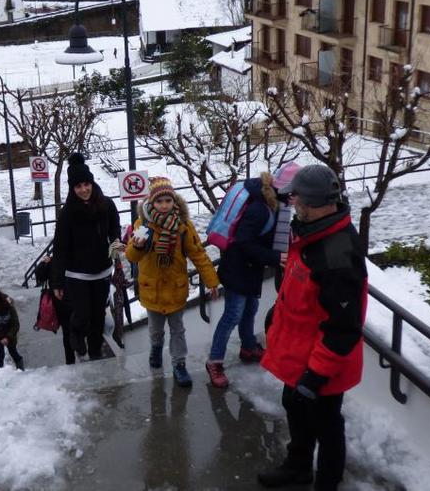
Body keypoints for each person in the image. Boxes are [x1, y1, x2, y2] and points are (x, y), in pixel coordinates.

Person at [257, 165, 367, 491]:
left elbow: (344, 327)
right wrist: (279, 313)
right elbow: (304, 290)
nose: (291, 202)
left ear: (312, 201)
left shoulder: (336, 254)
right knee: (295, 408)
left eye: (296, 196)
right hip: (299, 355)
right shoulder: (311, 232)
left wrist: (315, 376)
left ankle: (326, 484)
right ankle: (298, 466)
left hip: (320, 365)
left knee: (327, 426)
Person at [205, 163, 300, 389]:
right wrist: (275, 257)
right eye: (297, 193)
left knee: (251, 310)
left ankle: (248, 347)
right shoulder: (260, 208)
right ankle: (214, 361)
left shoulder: (276, 203)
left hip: (251, 268)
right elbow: (243, 243)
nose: (298, 199)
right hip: (239, 268)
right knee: (233, 315)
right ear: (286, 190)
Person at [126, 177, 219, 387]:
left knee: (178, 330)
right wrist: (138, 246)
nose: (164, 205)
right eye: (160, 201)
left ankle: (179, 364)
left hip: (175, 288)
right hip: (152, 290)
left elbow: (198, 254)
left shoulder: (183, 226)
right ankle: (156, 349)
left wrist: (211, 280)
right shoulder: (142, 224)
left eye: (168, 200)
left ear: (174, 201)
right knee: (155, 330)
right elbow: (131, 256)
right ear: (152, 203)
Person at [51, 152, 121, 360]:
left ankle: (95, 351)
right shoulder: (67, 214)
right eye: (78, 186)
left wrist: (115, 244)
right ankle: (75, 332)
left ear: (92, 183)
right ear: (73, 189)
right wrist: (57, 282)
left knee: (98, 314)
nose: (83, 190)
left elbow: (114, 229)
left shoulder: (107, 205)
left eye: (86, 184)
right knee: (82, 314)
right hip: (77, 274)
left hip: (102, 270)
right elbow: (60, 248)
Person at [35, 256, 75, 365]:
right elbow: (40, 276)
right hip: (62, 304)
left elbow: (40, 276)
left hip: (69, 302)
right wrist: (44, 263)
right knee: (68, 332)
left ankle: (72, 359)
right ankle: (71, 359)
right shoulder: (53, 262)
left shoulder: (72, 257)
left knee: (70, 332)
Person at [0, 289, 24, 370]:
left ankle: (20, 369)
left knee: (13, 352)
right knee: (0, 354)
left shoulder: (8, 308)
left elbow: (15, 324)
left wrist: (8, 337)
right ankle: (0, 373)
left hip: (9, 334)